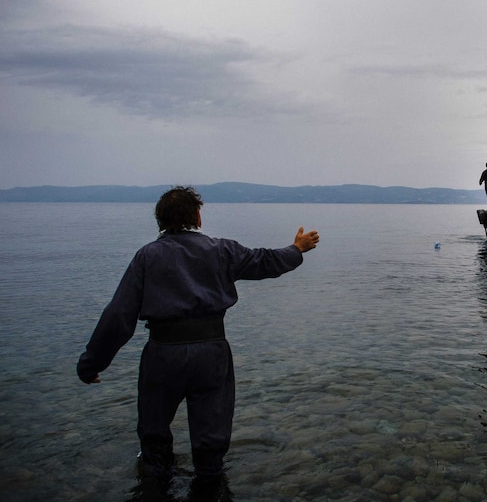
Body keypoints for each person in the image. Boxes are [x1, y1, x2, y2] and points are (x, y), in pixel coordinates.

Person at [76, 186, 320, 484]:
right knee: (211, 440)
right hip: (211, 352)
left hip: (163, 352)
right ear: (198, 217)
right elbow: (265, 261)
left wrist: (92, 363)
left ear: (160, 221)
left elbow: (119, 315)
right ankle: (210, 483)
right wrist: (297, 249)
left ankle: (155, 484)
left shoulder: (147, 256)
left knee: (154, 434)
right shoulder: (222, 250)